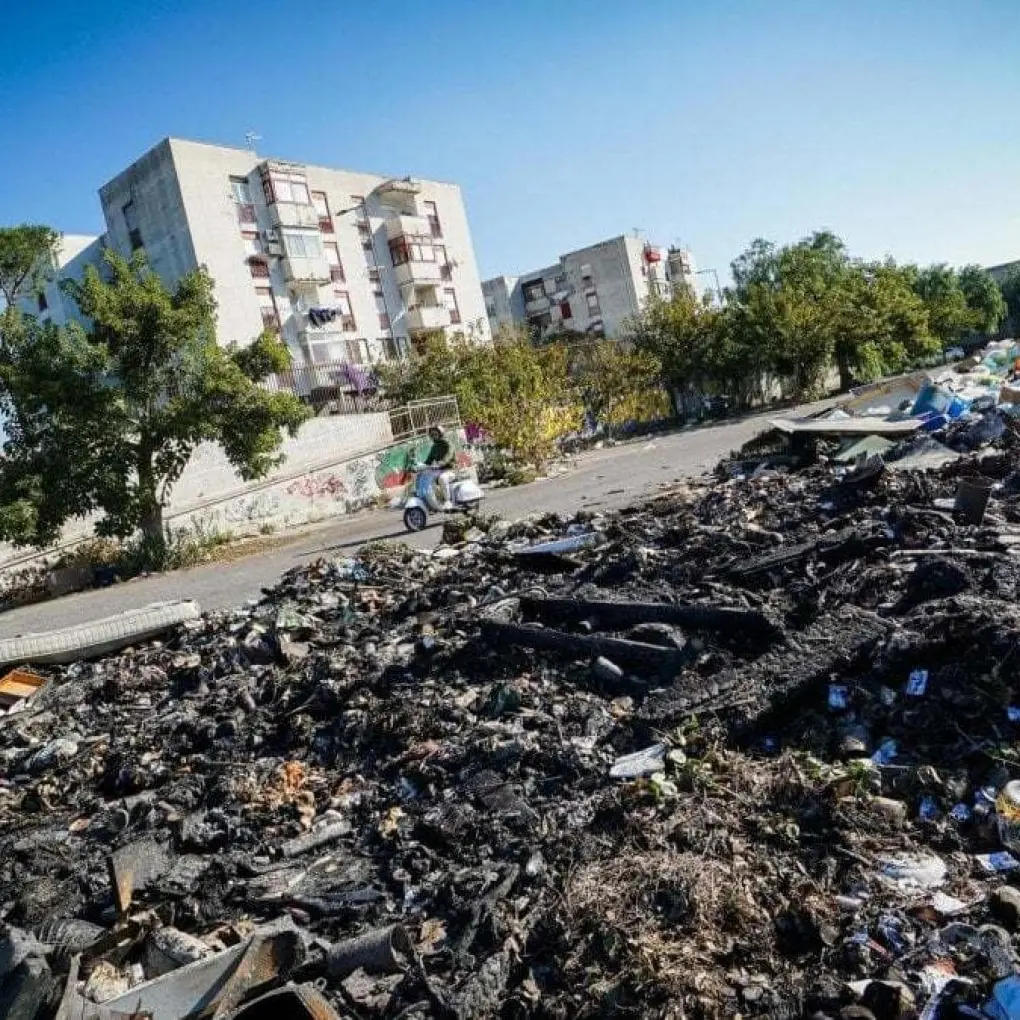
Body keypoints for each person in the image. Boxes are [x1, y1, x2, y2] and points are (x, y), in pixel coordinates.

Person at [423, 426, 456, 508]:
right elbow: (428, 460)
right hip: (439, 470)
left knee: (442, 478)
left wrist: (441, 463)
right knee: (429, 480)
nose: (433, 436)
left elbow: (449, 455)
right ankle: (438, 500)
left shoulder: (448, 444)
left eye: (435, 434)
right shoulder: (434, 447)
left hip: (451, 469)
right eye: (432, 435)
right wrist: (419, 466)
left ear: (440, 434)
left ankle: (448, 501)